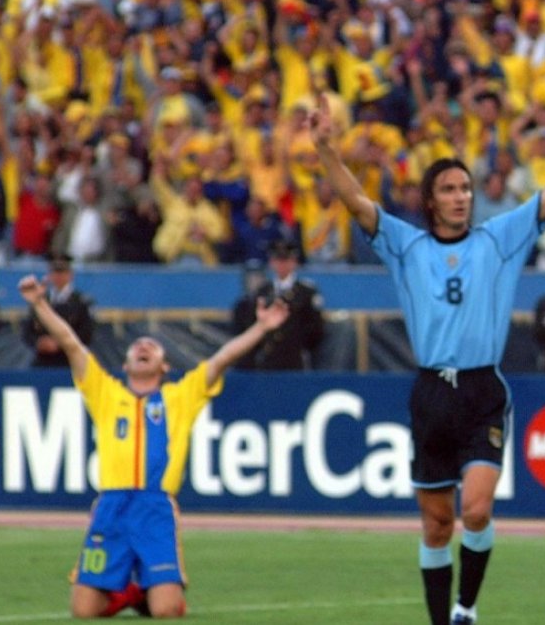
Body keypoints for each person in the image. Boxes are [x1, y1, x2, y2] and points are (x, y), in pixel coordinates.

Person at [311, 92, 545, 625]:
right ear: (431, 201)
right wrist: (326, 150)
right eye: (449, 190)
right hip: (432, 391)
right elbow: (357, 202)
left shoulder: (498, 238)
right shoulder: (404, 245)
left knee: (476, 509)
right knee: (436, 525)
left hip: (483, 389)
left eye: (465, 188)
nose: (461, 197)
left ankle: (467, 606)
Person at [16, 273, 289, 619]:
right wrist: (39, 303)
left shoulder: (180, 397)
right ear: (126, 364)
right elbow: (70, 343)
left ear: (164, 365)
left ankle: (149, 591)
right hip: (112, 507)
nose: (142, 347)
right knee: (83, 611)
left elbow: (222, 358)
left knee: (167, 611)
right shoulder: (105, 392)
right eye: (136, 347)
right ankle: (129, 591)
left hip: (154, 508)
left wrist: (261, 329)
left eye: (152, 347)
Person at [233, 239, 326, 370]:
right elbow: (250, 325)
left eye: (286, 260)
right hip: (267, 360)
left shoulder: (305, 293)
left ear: (293, 262)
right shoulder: (263, 292)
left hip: (295, 360)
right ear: (272, 262)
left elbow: (315, 330)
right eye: (278, 260)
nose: (281, 265)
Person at [22, 253, 95, 367]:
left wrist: (60, 344)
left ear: (70, 274)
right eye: (55, 272)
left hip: (70, 360)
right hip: (43, 360)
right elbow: (28, 329)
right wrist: (38, 342)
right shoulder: (41, 300)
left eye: (62, 272)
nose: (58, 276)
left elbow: (87, 333)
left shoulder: (80, 301)